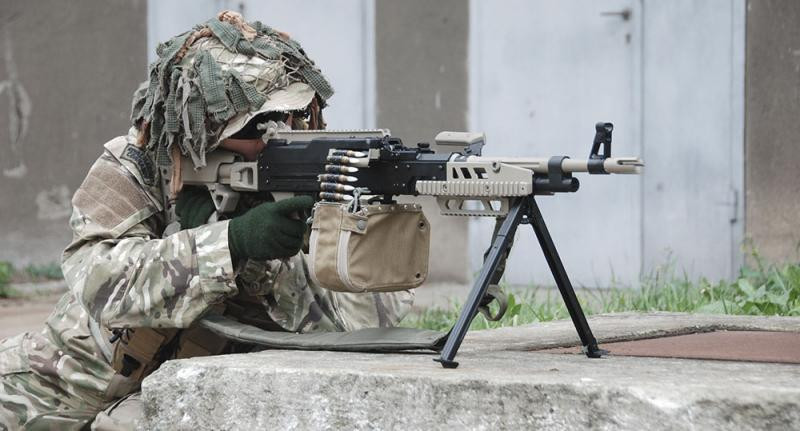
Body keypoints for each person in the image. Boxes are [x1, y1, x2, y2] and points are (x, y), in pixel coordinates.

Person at [0, 11, 413, 430]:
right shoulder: (139, 162)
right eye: (254, 124)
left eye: (286, 115)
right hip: (63, 380)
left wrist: (281, 261)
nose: (272, 135)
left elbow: (366, 322)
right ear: (200, 125)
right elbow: (98, 280)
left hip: (197, 394)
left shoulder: (318, 171)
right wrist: (227, 242)